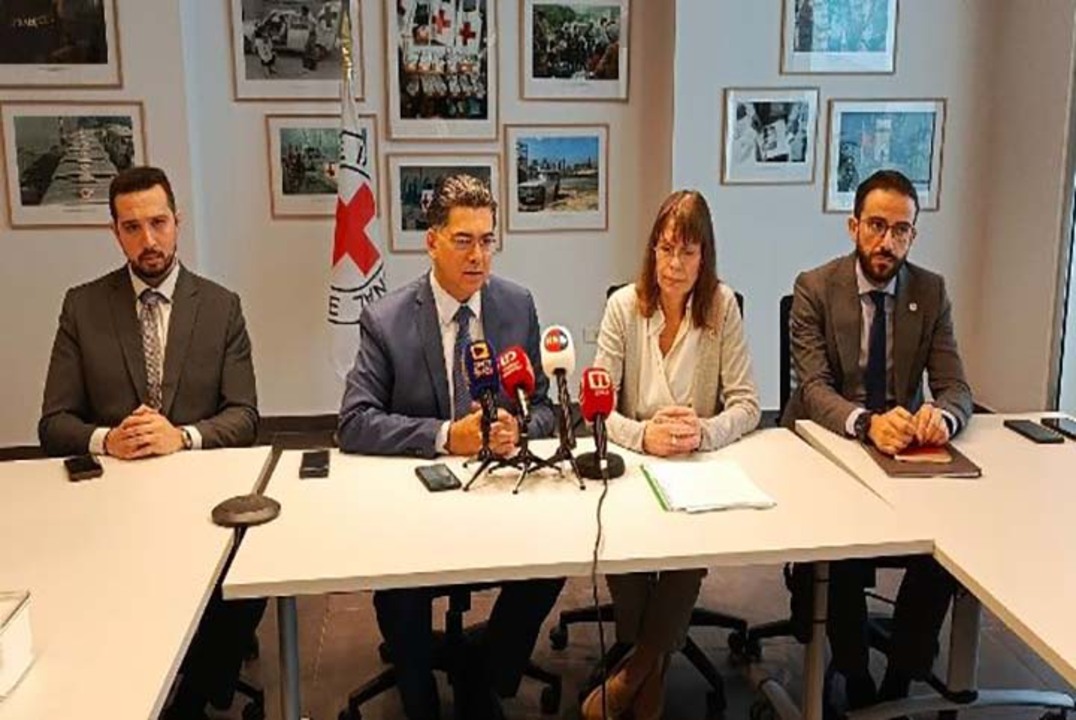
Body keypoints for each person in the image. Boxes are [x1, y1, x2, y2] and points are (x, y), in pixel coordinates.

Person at [38, 166, 263, 720]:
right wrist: (107, 440)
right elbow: (53, 423)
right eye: (133, 227)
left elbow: (244, 417)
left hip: (199, 491)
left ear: (177, 221)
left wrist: (180, 437)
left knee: (253, 571)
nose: (149, 240)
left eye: (159, 223)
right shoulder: (83, 306)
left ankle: (193, 697)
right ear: (115, 233)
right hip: (112, 499)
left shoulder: (221, 306)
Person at [337, 174, 564, 720]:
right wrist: (443, 436)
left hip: (501, 494)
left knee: (555, 559)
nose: (478, 256)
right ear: (432, 241)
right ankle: (421, 700)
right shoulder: (387, 319)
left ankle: (487, 675)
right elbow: (354, 422)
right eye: (463, 241)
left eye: (487, 240)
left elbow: (546, 406)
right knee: (400, 588)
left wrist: (519, 428)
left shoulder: (517, 305)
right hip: (420, 503)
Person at [782, 169, 973, 710]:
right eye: (876, 226)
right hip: (832, 444)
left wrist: (943, 417)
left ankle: (902, 678)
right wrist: (866, 422)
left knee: (944, 548)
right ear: (854, 227)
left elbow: (956, 386)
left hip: (904, 453)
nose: (887, 242)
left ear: (913, 235)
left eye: (900, 230)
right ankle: (855, 674)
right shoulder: (815, 287)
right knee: (841, 544)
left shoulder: (930, 291)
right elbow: (813, 390)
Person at [582, 190, 761, 720]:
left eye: (687, 252)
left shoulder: (721, 307)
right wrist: (643, 436)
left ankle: (637, 668)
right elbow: (594, 411)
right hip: (634, 463)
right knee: (623, 545)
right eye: (665, 249)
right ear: (652, 251)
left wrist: (703, 433)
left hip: (696, 468)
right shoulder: (623, 307)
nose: (674, 264)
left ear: (705, 256)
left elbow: (748, 404)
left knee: (685, 552)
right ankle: (652, 662)